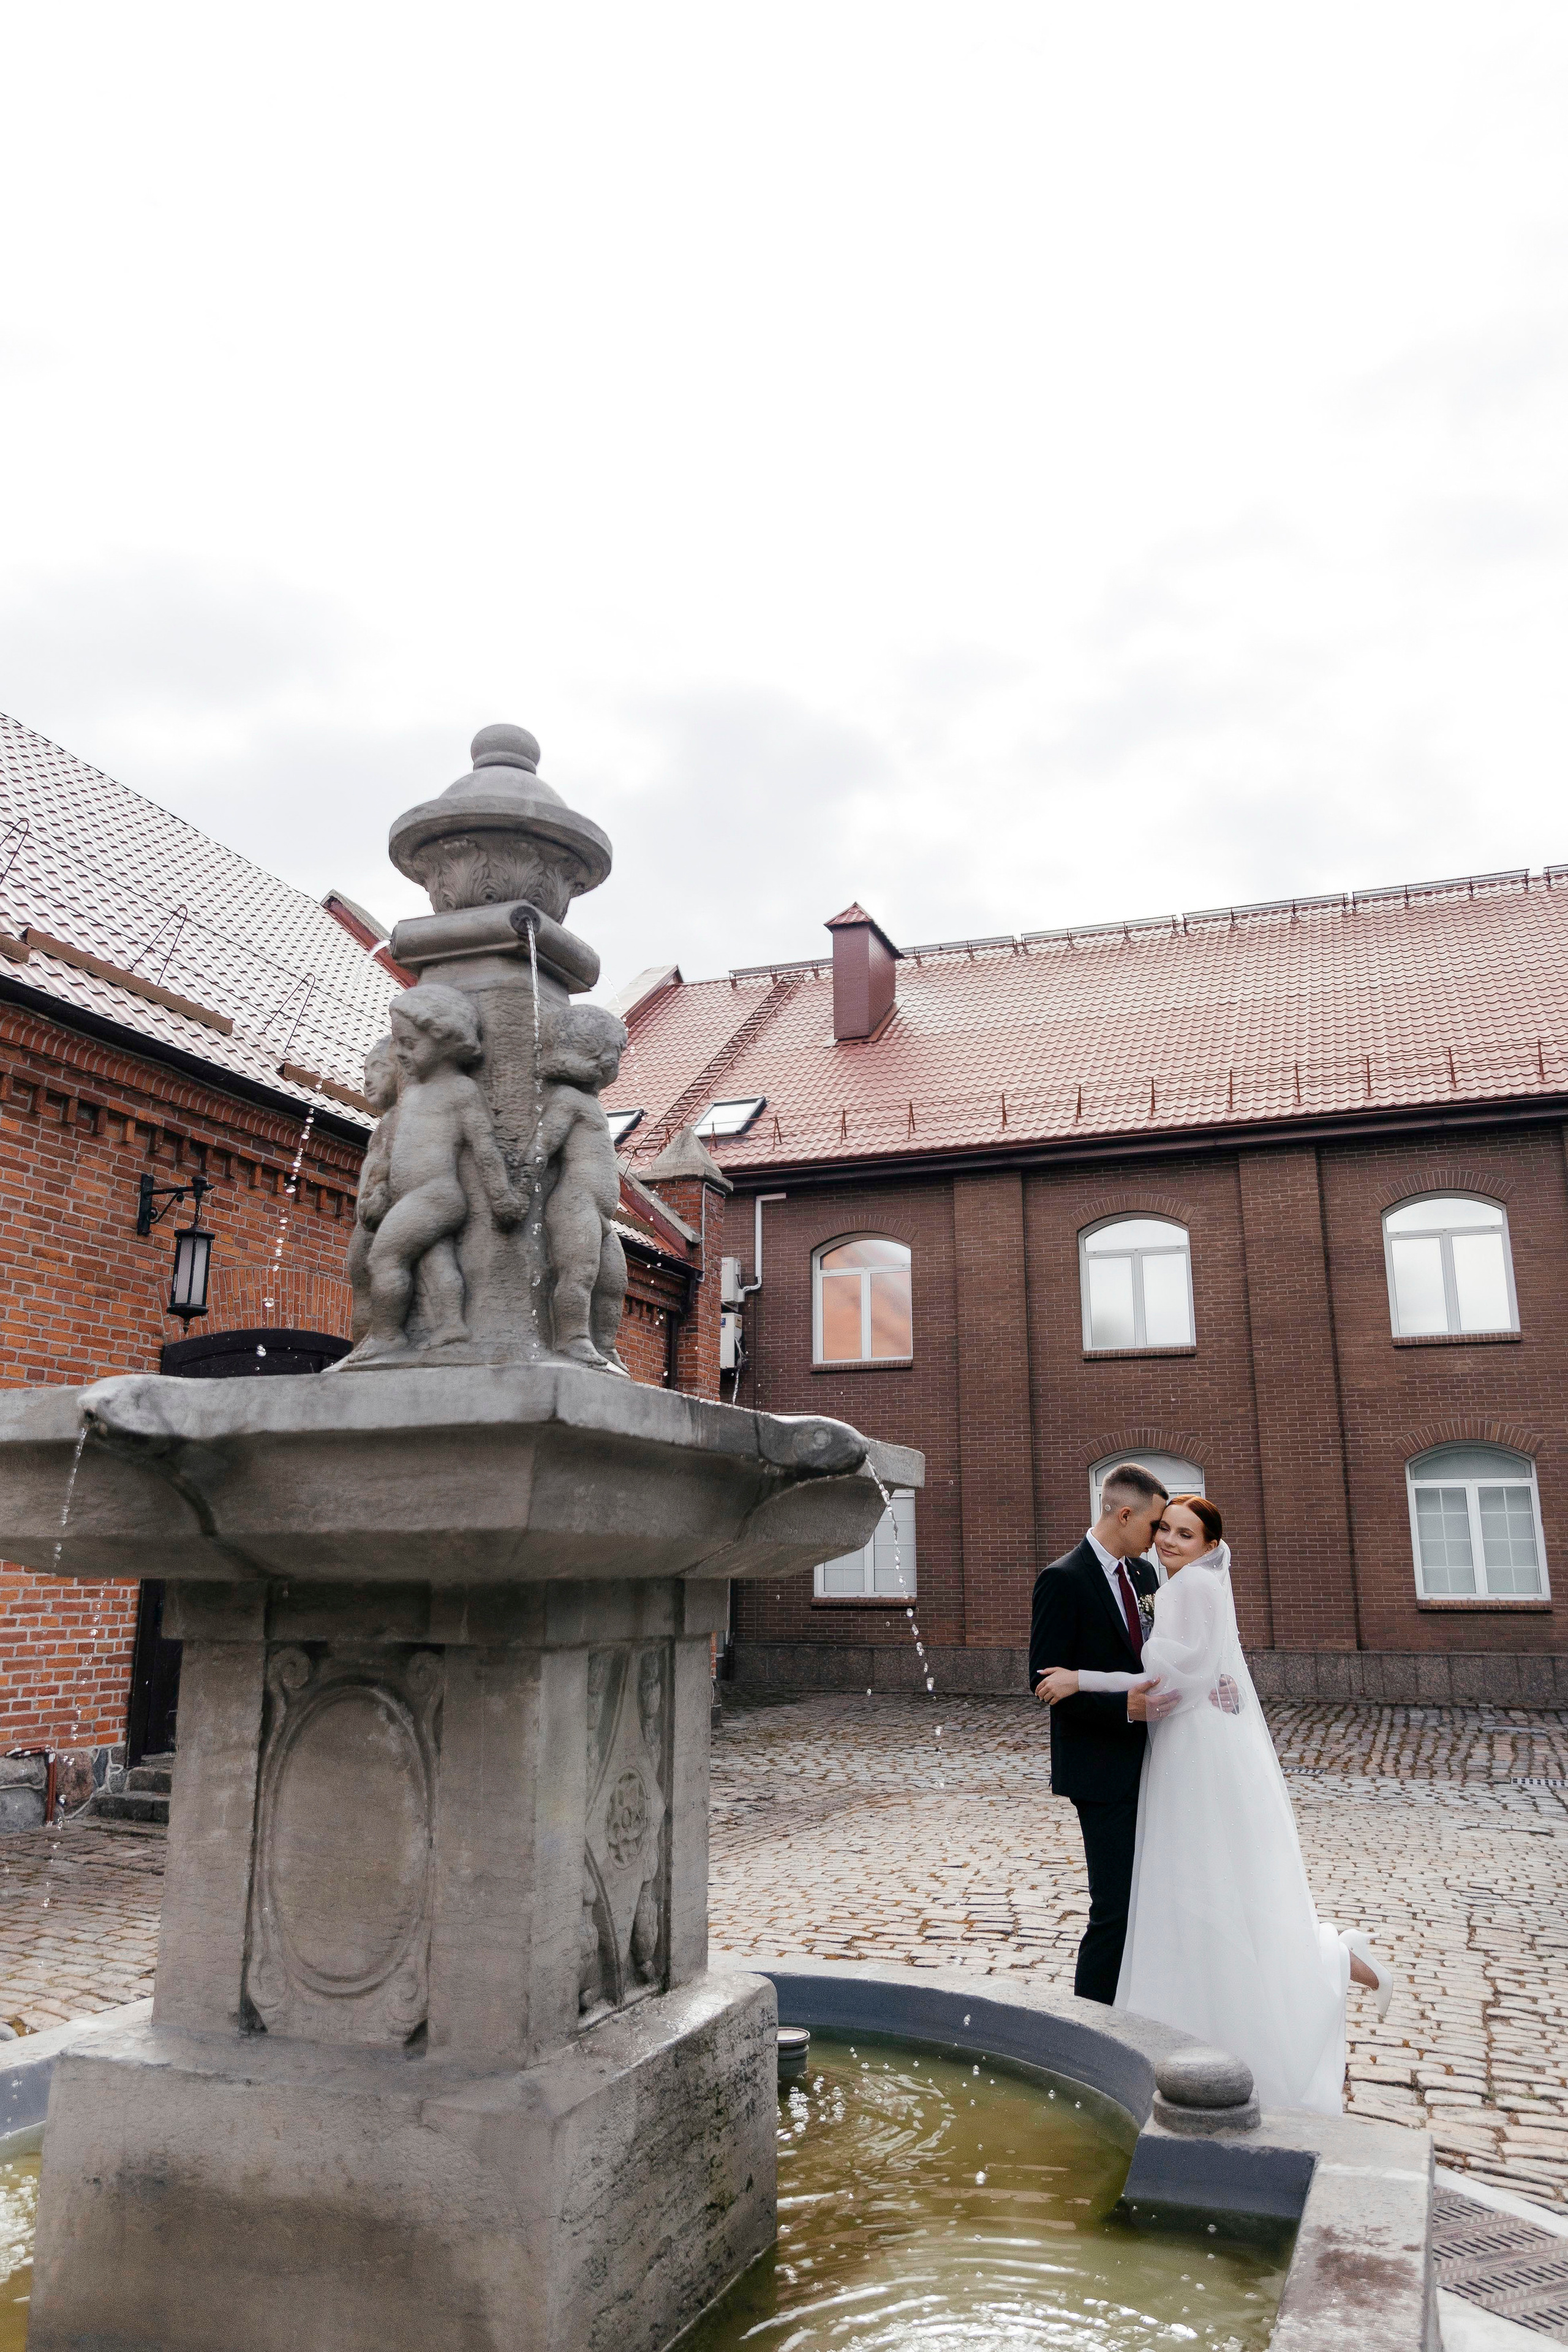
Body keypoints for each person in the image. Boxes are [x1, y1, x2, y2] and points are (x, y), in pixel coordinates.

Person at [1036, 1493, 1396, 2114]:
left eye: (1183, 1534)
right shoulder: (1130, 1579)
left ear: (1209, 1547)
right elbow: (1193, 1671)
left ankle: (1325, 1966)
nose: (1167, 1541)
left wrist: (1082, 1679)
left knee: (1185, 1887)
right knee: (1176, 1892)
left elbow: (1167, 1683)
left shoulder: (1180, 1585)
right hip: (1164, 1750)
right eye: (1165, 1529)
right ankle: (1186, 2025)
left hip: (1186, 1751)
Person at [1027, 1464, 1169, 2005]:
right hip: (1100, 1769)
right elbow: (1044, 1680)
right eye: (1155, 1525)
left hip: (1156, 1762)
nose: (1159, 1537)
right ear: (1125, 1514)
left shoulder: (1146, 1576)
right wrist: (1122, 1708)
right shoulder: (1063, 1579)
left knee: (1150, 1900)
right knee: (1114, 1909)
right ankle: (1091, 2024)